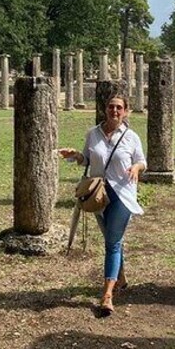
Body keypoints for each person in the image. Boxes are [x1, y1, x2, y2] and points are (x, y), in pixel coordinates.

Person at [58, 94, 146, 316]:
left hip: (123, 194)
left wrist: (136, 168)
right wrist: (75, 155)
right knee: (112, 238)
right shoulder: (93, 134)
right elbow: (87, 159)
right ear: (105, 109)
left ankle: (107, 295)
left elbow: (142, 161)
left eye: (119, 108)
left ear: (125, 111)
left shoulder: (131, 137)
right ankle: (121, 277)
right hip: (98, 194)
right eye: (111, 107)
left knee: (112, 243)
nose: (114, 111)